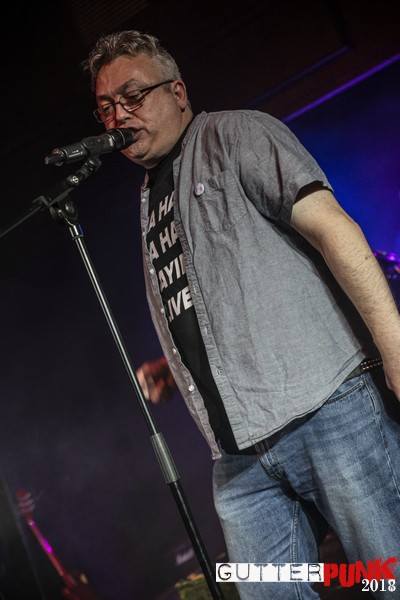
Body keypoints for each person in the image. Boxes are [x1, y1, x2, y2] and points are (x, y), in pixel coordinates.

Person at [82, 30, 400, 599]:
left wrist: (396, 351)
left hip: (329, 413)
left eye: (132, 96)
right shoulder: (152, 195)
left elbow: (335, 230)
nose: (118, 116)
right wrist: (172, 367)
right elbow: (227, 303)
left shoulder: (237, 134)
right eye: (106, 107)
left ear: (178, 91)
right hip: (238, 461)